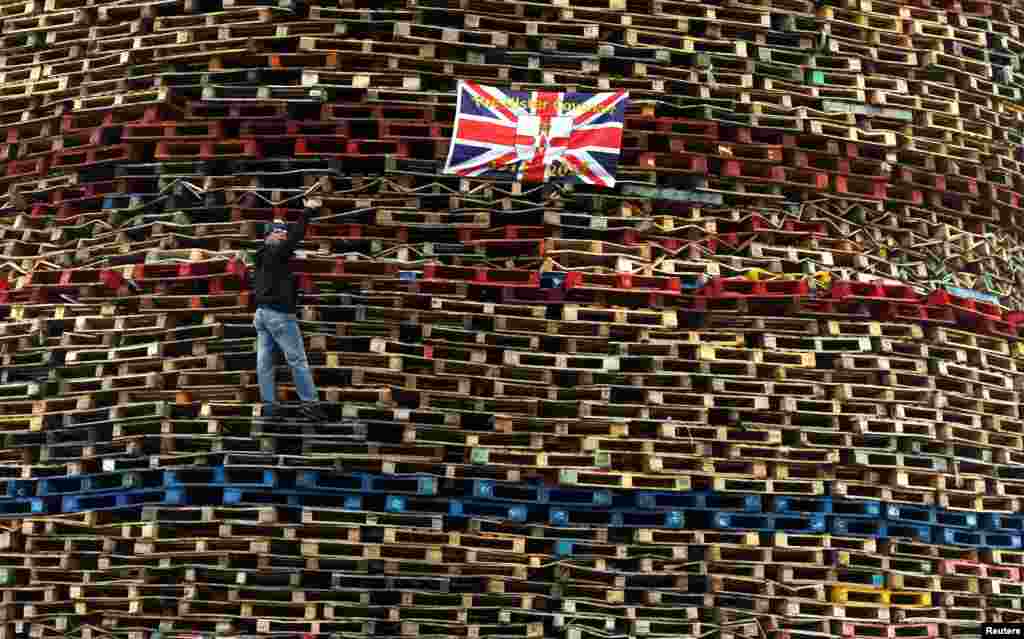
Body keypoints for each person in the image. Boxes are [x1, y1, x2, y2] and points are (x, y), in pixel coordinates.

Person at [252, 197, 328, 422]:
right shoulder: (276, 253)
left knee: (264, 361)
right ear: (268, 236)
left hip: (262, 315)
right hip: (279, 315)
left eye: (283, 231)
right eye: (277, 232)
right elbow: (295, 237)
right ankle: (310, 404)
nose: (282, 234)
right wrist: (308, 211)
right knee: (297, 360)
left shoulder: (261, 256)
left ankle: (270, 405)